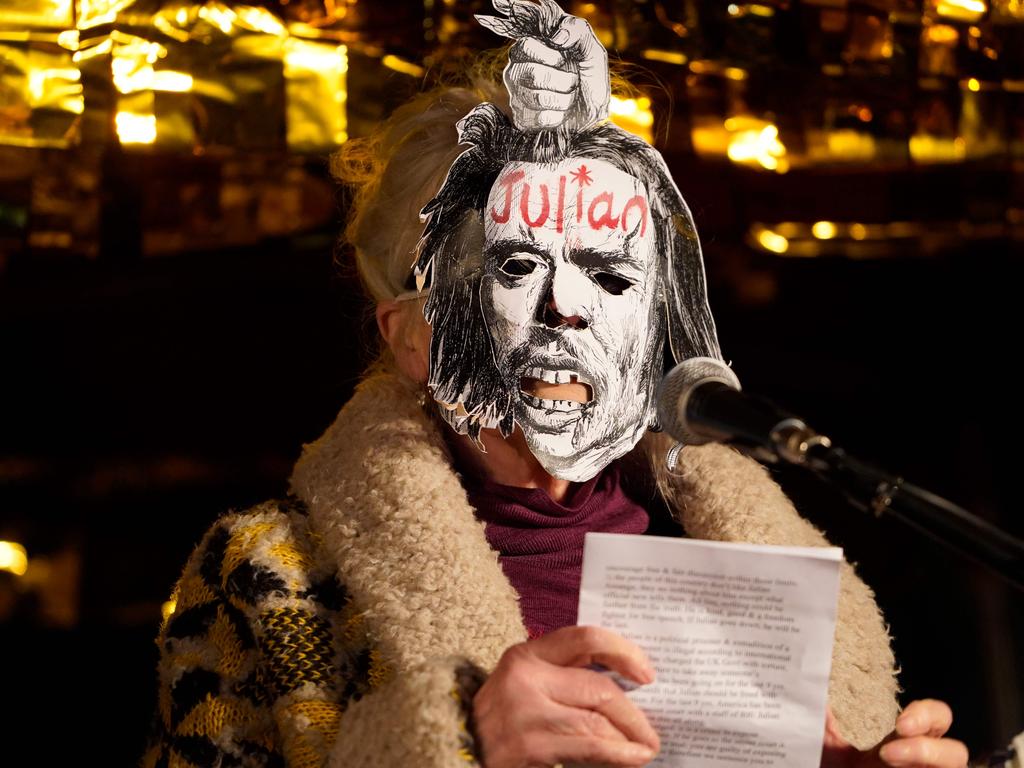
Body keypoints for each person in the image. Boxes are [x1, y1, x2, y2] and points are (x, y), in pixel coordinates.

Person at [141, 6, 969, 768]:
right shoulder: (269, 572)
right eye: (514, 265)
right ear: (415, 338)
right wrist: (462, 743)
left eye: (610, 275)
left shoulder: (740, 564)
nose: (567, 309)